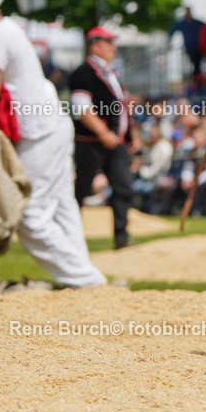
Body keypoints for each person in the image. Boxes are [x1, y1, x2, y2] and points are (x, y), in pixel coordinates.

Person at [0, 0, 106, 287]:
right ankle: (89, 282)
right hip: (49, 126)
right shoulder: (6, 28)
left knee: (28, 215)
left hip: (40, 132)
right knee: (63, 208)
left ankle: (87, 280)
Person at [70, 26, 139, 249]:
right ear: (95, 46)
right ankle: (71, 238)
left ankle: (122, 235)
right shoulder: (84, 72)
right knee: (81, 189)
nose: (114, 47)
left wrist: (130, 134)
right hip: (91, 143)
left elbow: (121, 107)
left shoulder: (109, 72)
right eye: (109, 42)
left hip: (115, 142)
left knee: (123, 187)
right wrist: (102, 132)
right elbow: (81, 108)